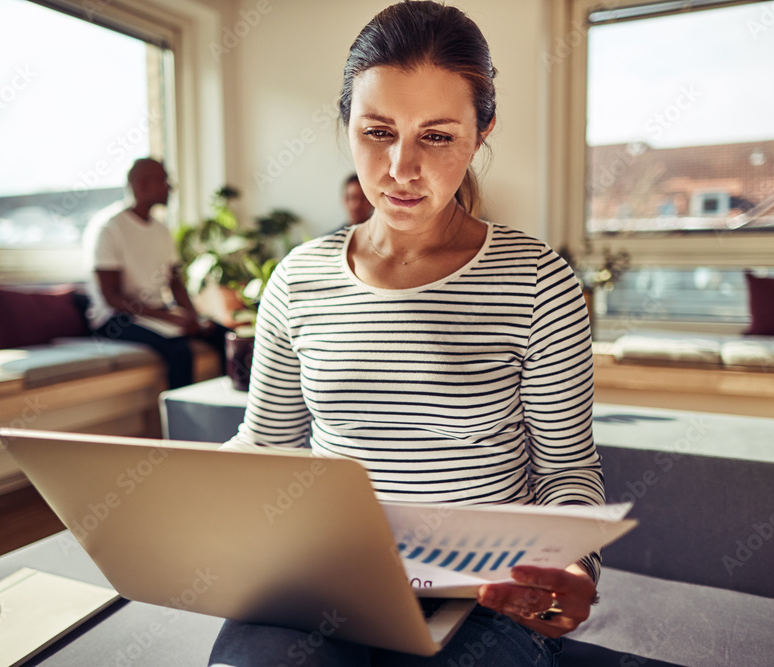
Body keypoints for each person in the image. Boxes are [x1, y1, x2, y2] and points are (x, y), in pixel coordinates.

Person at [210, 2, 603, 665]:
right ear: (347, 125)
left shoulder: (538, 281)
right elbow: (267, 443)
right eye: (378, 131)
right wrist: (189, 500)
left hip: (480, 593)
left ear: (482, 132)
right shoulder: (297, 279)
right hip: (325, 575)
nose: (400, 167)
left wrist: (574, 568)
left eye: (438, 136)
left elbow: (566, 468)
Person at [84, 157, 227, 389]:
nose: (170, 187)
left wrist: (194, 317)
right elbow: (112, 297)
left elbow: (176, 284)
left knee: (225, 336)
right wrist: (170, 318)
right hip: (116, 320)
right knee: (179, 351)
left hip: (155, 315)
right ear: (140, 185)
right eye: (163, 180)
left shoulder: (162, 231)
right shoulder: (109, 228)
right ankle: (182, 421)